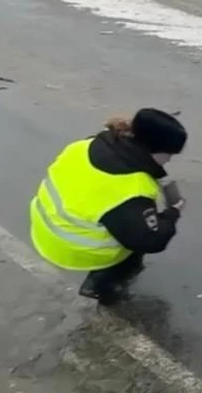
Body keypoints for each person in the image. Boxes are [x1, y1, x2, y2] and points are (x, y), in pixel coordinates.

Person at [29, 108, 187, 305]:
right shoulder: (130, 190)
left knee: (130, 221)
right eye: (169, 154)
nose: (170, 159)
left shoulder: (85, 145)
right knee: (137, 238)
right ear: (155, 150)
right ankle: (103, 285)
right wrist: (172, 213)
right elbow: (152, 241)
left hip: (44, 223)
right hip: (69, 247)